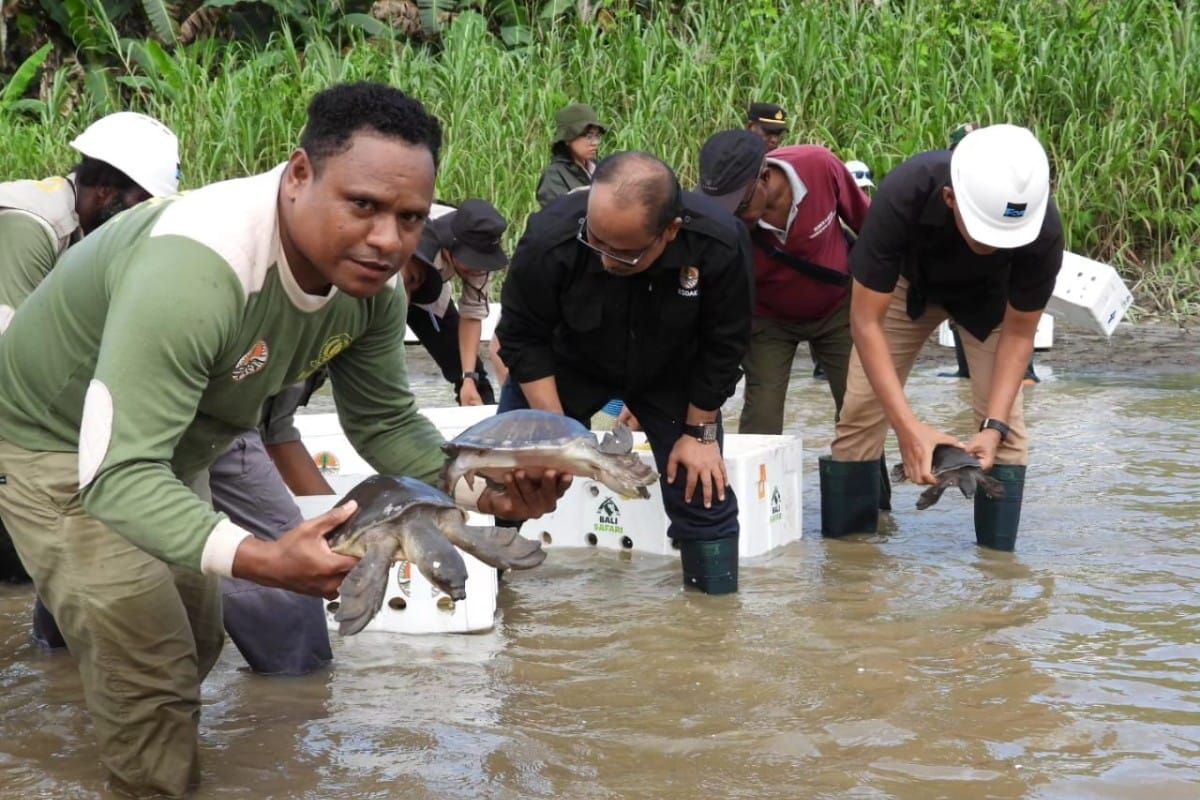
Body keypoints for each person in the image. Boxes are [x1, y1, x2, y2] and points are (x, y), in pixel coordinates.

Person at [0, 82, 566, 798]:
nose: (388, 239)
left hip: (186, 443)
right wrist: (263, 558)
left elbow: (385, 423)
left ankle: (101, 720)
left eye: (411, 217)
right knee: (151, 665)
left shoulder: (371, 288)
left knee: (196, 643)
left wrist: (492, 489)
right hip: (62, 444)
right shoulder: (200, 267)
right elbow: (115, 473)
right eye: (363, 205)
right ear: (299, 175)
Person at [498, 151, 753, 594]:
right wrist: (556, 435)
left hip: (671, 370)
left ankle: (713, 630)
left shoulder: (719, 243)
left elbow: (725, 344)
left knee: (701, 489)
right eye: (595, 242)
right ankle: (482, 601)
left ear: (670, 232)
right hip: (567, 366)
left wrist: (701, 435)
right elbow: (521, 337)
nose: (605, 260)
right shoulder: (550, 237)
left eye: (624, 254)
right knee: (513, 482)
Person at [819, 123, 1064, 552]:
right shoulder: (904, 193)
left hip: (989, 299)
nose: (994, 244)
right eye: (985, 233)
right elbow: (865, 323)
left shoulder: (1042, 228)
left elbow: (1020, 332)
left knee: (1009, 436)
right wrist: (908, 427)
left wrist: (994, 427)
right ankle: (850, 562)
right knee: (860, 411)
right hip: (905, 286)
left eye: (1006, 238)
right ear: (950, 199)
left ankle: (996, 571)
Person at [697, 130, 870, 430]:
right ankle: (755, 477)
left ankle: (865, 477)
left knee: (858, 408)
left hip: (838, 309)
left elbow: (868, 225)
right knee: (762, 413)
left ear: (764, 177)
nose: (730, 218)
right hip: (768, 321)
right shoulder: (717, 216)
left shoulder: (819, 166)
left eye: (738, 207)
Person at [0, 112, 180, 330]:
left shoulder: (85, 230)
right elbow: (11, 339)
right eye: (142, 201)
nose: (145, 215)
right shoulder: (31, 225)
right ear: (105, 190)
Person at [942, 123, 1041, 385]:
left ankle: (1024, 375)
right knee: (961, 323)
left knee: (1009, 318)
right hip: (962, 274)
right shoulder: (948, 179)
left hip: (1001, 272)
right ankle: (969, 373)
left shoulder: (998, 177)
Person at [405, 199, 509, 405]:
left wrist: (468, 377)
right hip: (386, 287)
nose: (477, 268)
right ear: (450, 247)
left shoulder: (481, 246)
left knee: (475, 383)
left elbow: (471, 316)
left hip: (432, 295)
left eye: (482, 262)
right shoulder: (417, 236)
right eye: (472, 261)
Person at [534, 103, 608, 209]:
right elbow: (557, 217)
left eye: (597, 136)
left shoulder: (601, 169)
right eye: (589, 136)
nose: (595, 142)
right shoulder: (554, 175)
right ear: (568, 138)